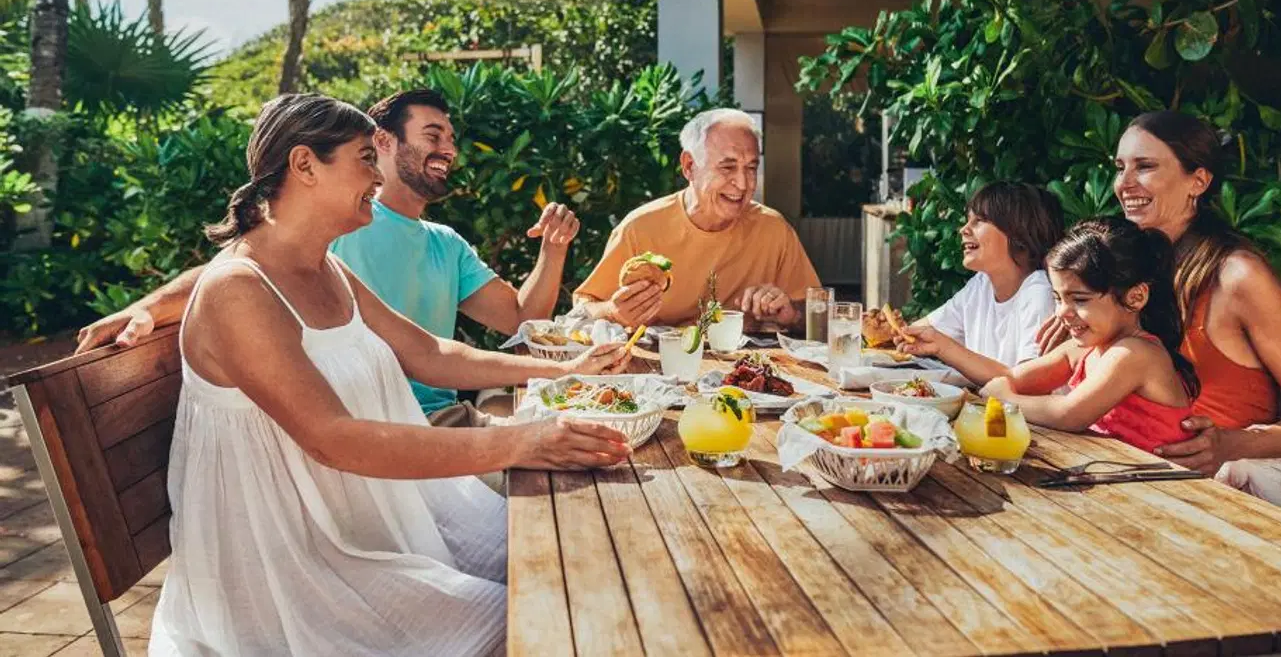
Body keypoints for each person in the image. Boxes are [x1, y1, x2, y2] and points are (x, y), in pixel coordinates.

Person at [149, 94, 633, 656]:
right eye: (362, 158)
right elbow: (334, 438)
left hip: (371, 517)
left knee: (567, 550)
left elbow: (428, 353)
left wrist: (565, 367)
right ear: (305, 165)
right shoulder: (238, 289)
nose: (377, 175)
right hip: (292, 563)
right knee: (539, 610)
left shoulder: (328, 268)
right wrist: (520, 441)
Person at [75, 89, 584, 426]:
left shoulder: (438, 242)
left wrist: (554, 254)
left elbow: (515, 323)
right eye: (434, 135)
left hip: (431, 422)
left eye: (452, 139)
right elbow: (239, 271)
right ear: (383, 142)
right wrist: (145, 307)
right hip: (392, 434)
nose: (450, 149)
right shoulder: (334, 224)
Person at [1034, 111, 1281, 524]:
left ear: (1198, 181)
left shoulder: (1237, 274)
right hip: (1141, 473)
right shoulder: (1126, 271)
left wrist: (1229, 444)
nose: (1124, 184)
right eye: (1119, 168)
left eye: (1144, 166)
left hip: (1230, 489)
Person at [574, 108, 822, 330]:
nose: (743, 184)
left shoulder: (773, 229)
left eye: (751, 168)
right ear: (689, 165)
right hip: (654, 371)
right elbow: (581, 311)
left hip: (742, 373)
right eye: (727, 167)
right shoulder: (640, 228)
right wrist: (612, 312)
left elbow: (819, 316)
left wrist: (791, 313)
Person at [980, 217, 1198, 453]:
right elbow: (1012, 378)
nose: (1062, 311)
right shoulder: (1084, 349)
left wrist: (1005, 399)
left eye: (1080, 299)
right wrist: (1000, 388)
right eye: (1057, 298)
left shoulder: (1136, 353)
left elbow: (1069, 415)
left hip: (1166, 486)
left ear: (1135, 297)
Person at [897, 181, 1065, 385]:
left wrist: (943, 347)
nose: (963, 230)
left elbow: (1027, 384)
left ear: (1019, 234)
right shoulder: (981, 284)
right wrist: (893, 329)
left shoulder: (1039, 293)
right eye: (968, 220)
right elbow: (921, 332)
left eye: (979, 221)